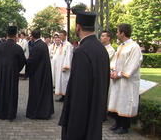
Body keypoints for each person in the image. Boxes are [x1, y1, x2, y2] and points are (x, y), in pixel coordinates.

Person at [59, 11, 110, 140]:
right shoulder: (101, 49)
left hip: (82, 114)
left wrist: (72, 116)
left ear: (78, 27)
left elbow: (78, 89)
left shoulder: (81, 51)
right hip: (96, 109)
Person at [108, 24, 143, 134]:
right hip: (118, 79)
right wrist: (113, 71)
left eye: (118, 31)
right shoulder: (120, 46)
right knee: (118, 101)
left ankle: (124, 126)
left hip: (127, 81)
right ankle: (118, 123)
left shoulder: (134, 47)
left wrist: (119, 74)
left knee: (125, 101)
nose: (117, 33)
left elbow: (133, 64)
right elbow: (114, 61)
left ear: (123, 33)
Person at [0, 26, 26, 121]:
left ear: (7, 35)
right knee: (11, 92)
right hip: (13, 74)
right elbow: (23, 61)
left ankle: (0, 112)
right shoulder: (18, 48)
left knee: (1, 91)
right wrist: (16, 69)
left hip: (1, 74)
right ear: (15, 35)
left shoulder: (0, 46)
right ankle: (10, 113)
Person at [26, 30, 54, 120]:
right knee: (44, 92)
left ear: (32, 37)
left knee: (37, 93)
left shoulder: (36, 46)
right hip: (44, 72)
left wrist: (26, 64)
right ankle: (45, 111)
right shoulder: (43, 44)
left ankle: (38, 112)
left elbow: (32, 61)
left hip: (38, 74)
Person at [52, 31, 73, 102]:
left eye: (61, 35)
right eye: (59, 35)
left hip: (65, 67)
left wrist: (66, 66)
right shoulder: (61, 45)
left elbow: (68, 56)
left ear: (65, 35)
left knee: (65, 82)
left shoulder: (68, 45)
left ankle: (66, 97)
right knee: (60, 82)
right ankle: (63, 96)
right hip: (59, 66)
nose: (60, 37)